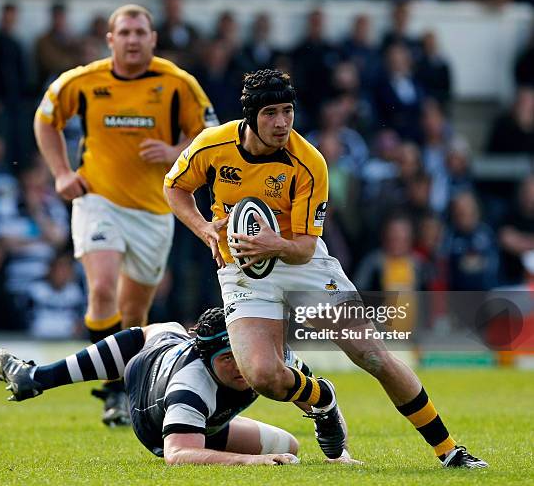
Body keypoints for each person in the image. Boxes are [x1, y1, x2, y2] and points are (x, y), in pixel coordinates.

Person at [164, 68, 487, 469]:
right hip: (242, 270)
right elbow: (173, 187)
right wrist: (205, 230)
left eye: (287, 111)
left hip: (305, 264)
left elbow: (302, 248)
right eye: (270, 114)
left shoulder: (309, 161)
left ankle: (450, 450)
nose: (282, 123)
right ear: (249, 117)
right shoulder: (212, 146)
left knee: (373, 356)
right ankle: (322, 398)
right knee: (263, 376)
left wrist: (273, 244)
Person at [34, 4, 218, 426]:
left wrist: (175, 153)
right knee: (100, 290)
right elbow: (45, 120)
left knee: (134, 315)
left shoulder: (177, 83)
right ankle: (113, 392)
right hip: (97, 199)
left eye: (141, 32)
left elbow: (210, 133)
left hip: (154, 211)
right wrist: (62, 173)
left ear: (153, 39)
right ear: (110, 39)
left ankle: (128, 387)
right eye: (125, 32)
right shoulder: (82, 81)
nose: (133, 39)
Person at [0, 308, 357, 465]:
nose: (238, 366)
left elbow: (317, 404)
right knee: (159, 332)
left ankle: (34, 378)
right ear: (208, 356)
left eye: (239, 354)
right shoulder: (190, 386)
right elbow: (177, 456)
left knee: (288, 447)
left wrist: (339, 455)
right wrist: (253, 462)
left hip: (208, 417)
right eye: (225, 358)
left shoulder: (269, 359)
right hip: (153, 417)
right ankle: (38, 378)